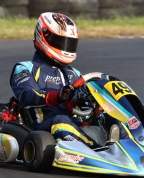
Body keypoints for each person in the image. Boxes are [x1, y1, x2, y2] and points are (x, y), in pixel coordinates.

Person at [10, 12, 102, 147]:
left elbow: (82, 103)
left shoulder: (75, 74)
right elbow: (27, 95)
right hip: (41, 129)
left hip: (74, 126)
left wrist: (94, 103)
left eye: (69, 44)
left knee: (112, 118)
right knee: (61, 121)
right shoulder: (25, 68)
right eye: (61, 42)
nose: (65, 48)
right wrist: (56, 96)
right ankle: (96, 149)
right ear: (44, 36)